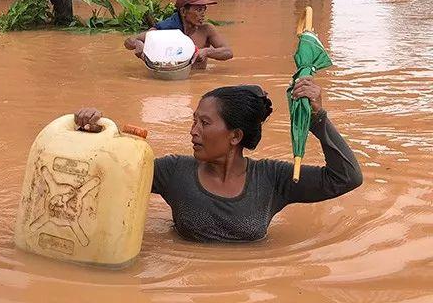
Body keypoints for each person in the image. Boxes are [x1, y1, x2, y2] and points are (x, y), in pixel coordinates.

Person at [73, 78, 362, 242]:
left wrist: (318, 120)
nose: (193, 131)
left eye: (205, 123)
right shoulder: (174, 172)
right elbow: (101, 176)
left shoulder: (273, 179)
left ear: (235, 137)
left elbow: (346, 178)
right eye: (194, 120)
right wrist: (89, 133)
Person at [125, 0, 233, 68]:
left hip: (197, 82)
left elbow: (228, 52)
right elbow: (129, 41)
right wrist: (138, 45)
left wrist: (207, 52)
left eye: (204, 10)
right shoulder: (165, 31)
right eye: (198, 10)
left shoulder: (206, 30)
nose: (203, 14)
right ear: (183, 11)